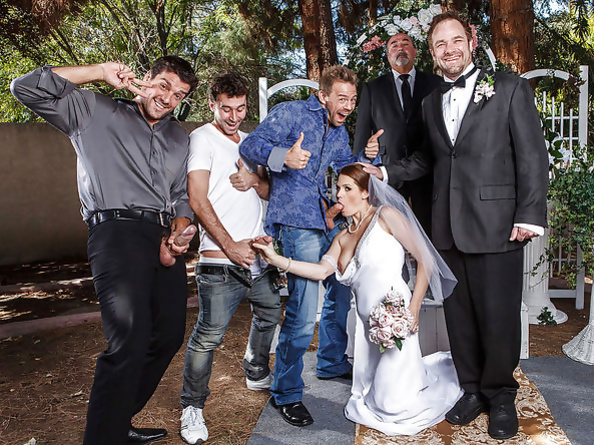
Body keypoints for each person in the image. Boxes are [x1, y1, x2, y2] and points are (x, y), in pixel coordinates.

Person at [365, 11, 549, 440]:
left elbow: (532, 155)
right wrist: (386, 173)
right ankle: (471, 390)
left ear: (471, 40)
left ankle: (500, 396)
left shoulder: (509, 88)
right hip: (446, 227)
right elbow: (427, 159)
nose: (449, 50)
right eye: (440, 45)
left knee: (498, 316)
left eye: (455, 41)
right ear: (432, 53)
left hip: (497, 225)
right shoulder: (431, 102)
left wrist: (529, 214)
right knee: (459, 316)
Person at [11, 57, 198, 445]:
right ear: (146, 79)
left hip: (161, 238)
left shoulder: (180, 137)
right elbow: (25, 87)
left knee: (168, 335)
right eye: (163, 85)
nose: (168, 98)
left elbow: (180, 194)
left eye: (178, 95)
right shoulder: (94, 110)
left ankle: (118, 420)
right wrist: (98, 72)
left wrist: (180, 231)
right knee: (130, 336)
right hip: (115, 230)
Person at [252, 163, 461, 435]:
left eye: (347, 188)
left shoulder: (386, 216)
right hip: (367, 331)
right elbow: (320, 271)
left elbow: (426, 259)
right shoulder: (342, 237)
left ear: (365, 192)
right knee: (377, 402)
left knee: (394, 407)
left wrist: (414, 307)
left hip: (396, 319)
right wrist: (276, 259)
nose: (339, 194)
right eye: (338, 188)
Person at [239, 65, 378, 427]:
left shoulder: (339, 129)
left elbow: (346, 167)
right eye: (341, 98)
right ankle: (286, 392)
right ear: (323, 95)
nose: (348, 105)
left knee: (341, 292)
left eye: (352, 99)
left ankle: (330, 362)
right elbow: (249, 145)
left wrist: (369, 158)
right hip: (295, 222)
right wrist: (282, 157)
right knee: (302, 312)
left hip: (328, 219)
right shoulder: (290, 113)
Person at [178, 73, 281, 444]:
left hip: (259, 258)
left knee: (270, 314)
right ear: (212, 105)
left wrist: (254, 182)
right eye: (226, 109)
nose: (234, 116)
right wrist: (230, 245)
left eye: (240, 108)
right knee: (208, 336)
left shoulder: (251, 143)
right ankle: (192, 406)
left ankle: (255, 368)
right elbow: (197, 198)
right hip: (219, 259)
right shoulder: (201, 138)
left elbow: (267, 191)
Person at [353, 32, 440, 236]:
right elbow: (361, 136)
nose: (400, 48)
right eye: (394, 45)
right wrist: (365, 157)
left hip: (430, 175)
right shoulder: (373, 88)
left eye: (405, 43)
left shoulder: (435, 84)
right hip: (388, 175)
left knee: (429, 235)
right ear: (387, 55)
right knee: (391, 235)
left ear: (415, 52)